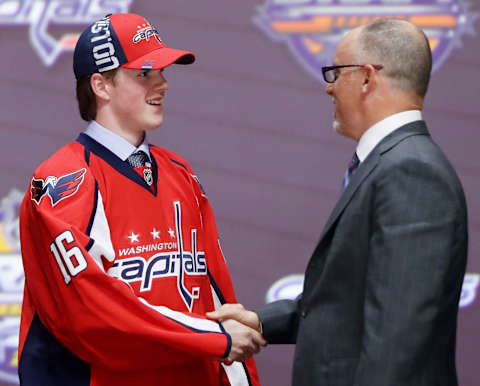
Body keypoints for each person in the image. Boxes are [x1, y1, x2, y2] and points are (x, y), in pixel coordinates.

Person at [208, 18, 468, 385]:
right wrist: (262, 321)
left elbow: (397, 341)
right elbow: (346, 303)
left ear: (366, 78)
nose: (328, 89)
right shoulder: (390, 164)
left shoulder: (411, 172)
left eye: (335, 73)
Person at [18, 13, 264, 386]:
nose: (162, 84)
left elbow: (214, 295)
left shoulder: (180, 172)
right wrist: (209, 337)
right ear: (101, 86)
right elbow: (92, 311)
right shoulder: (60, 180)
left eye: (162, 72)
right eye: (144, 73)